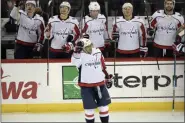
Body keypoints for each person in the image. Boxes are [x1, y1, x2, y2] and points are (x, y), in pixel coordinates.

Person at [71, 38, 112, 123]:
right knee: (89, 110)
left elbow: (103, 66)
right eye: (87, 47)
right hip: (86, 85)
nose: (89, 49)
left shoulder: (97, 51)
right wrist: (75, 52)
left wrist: (107, 77)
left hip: (100, 84)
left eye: (90, 46)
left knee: (104, 107)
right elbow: (75, 63)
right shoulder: (78, 55)